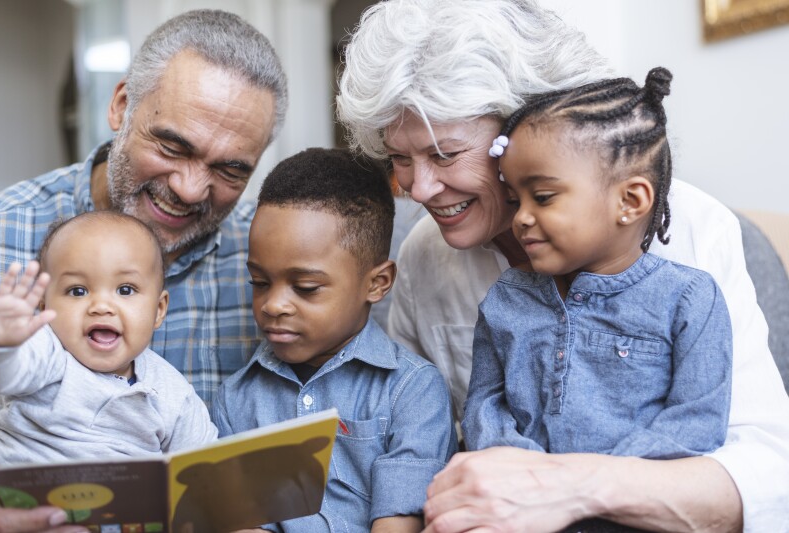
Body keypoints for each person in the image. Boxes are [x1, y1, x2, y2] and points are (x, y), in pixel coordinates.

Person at [336, 0, 789, 531]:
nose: (419, 188)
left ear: (531, 125)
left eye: (444, 154)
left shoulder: (688, 228)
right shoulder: (422, 255)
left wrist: (567, 488)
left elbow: (769, 473)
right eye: (399, 159)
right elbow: (416, 435)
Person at [0, 9, 288, 407]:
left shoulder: (272, 260)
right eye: (172, 147)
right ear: (121, 105)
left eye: (230, 170)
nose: (190, 190)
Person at [463, 67, 733, 462]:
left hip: (632, 505)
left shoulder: (688, 299)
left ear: (630, 201)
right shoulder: (506, 297)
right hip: (517, 496)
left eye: (542, 196)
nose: (520, 218)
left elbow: (697, 423)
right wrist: (526, 470)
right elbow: (484, 408)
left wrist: (594, 482)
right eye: (514, 200)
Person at [212, 148, 457, 532]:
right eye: (259, 282)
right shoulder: (236, 399)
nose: (273, 304)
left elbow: (399, 522)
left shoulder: (412, 391)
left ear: (377, 283)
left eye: (306, 288)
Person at [0, 211, 217, 463]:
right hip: (12, 494)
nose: (101, 306)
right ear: (45, 308)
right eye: (77, 291)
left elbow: (206, 463)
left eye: (125, 289)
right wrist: (0, 345)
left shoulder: (172, 393)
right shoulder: (47, 351)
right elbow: (4, 375)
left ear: (158, 310)